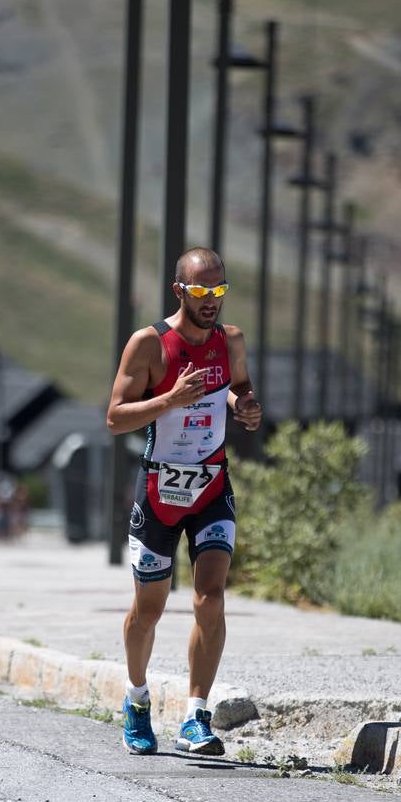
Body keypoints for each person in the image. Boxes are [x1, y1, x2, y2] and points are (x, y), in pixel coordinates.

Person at [106, 247, 262, 755]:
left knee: (210, 597)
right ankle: (136, 699)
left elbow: (238, 389)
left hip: (212, 485)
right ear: (179, 290)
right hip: (159, 492)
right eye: (201, 290)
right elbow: (116, 417)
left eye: (219, 290)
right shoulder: (148, 344)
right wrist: (170, 400)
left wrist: (245, 408)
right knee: (148, 609)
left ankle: (197, 716)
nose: (212, 300)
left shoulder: (231, 340)